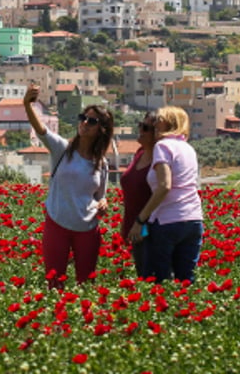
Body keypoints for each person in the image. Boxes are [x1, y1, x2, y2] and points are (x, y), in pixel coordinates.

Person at [22, 84, 114, 287]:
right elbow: (41, 130)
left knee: (86, 283)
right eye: (83, 118)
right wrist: (27, 104)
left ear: (101, 129)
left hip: (88, 228)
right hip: (57, 223)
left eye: (91, 121)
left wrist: (103, 203)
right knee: (54, 282)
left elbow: (100, 196)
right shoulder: (62, 149)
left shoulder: (101, 163)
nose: (84, 123)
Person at [126, 105, 203, 283]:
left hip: (167, 220)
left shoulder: (163, 146)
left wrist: (140, 220)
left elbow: (164, 186)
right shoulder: (187, 148)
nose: (155, 124)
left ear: (168, 123)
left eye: (159, 120)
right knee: (185, 281)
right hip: (193, 219)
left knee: (157, 281)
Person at [120, 110, 158, 278]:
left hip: (149, 229)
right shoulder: (139, 154)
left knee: (150, 277)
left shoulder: (160, 160)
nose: (140, 130)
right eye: (140, 125)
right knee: (142, 275)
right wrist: (126, 224)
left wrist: (140, 223)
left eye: (146, 128)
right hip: (134, 227)